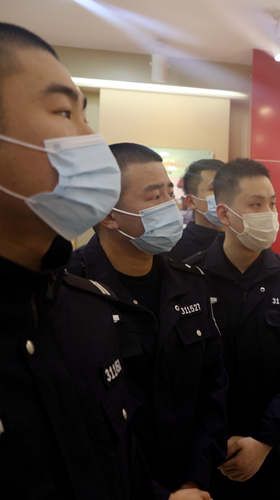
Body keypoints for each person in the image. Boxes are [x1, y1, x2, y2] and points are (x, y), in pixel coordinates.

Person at [0, 23, 170, 499]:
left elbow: (118, 466)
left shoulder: (85, 313)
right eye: (63, 112)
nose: (91, 137)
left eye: (85, 115)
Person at [67, 143, 229, 499]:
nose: (170, 206)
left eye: (170, 193)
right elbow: (76, 424)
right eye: (155, 197)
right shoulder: (69, 290)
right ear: (109, 216)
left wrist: (194, 480)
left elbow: (213, 386)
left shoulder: (190, 283)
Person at [185, 158, 280, 499]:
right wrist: (212, 442)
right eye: (256, 205)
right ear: (224, 214)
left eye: (272, 203)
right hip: (199, 461)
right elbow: (178, 375)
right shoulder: (189, 280)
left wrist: (263, 441)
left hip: (268, 457)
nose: (269, 214)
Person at [166, 159, 225, 261]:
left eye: (229, 189)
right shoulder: (173, 249)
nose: (226, 195)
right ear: (191, 201)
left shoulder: (243, 243)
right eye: (214, 189)